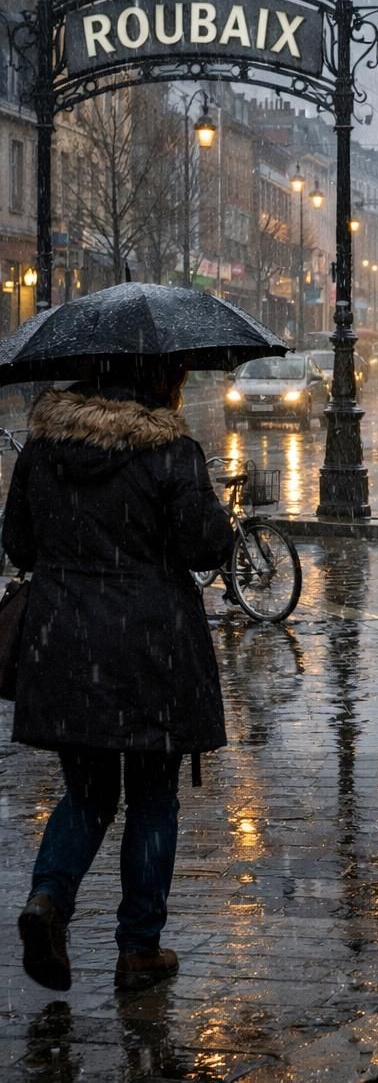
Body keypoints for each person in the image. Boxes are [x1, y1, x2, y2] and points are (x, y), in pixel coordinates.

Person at [5, 356, 234, 993]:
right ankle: (138, 950)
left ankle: (48, 899)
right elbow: (205, 547)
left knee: (87, 794)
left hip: (66, 644)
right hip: (152, 648)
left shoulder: (43, 449)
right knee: (153, 798)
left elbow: (18, 545)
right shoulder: (172, 452)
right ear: (159, 378)